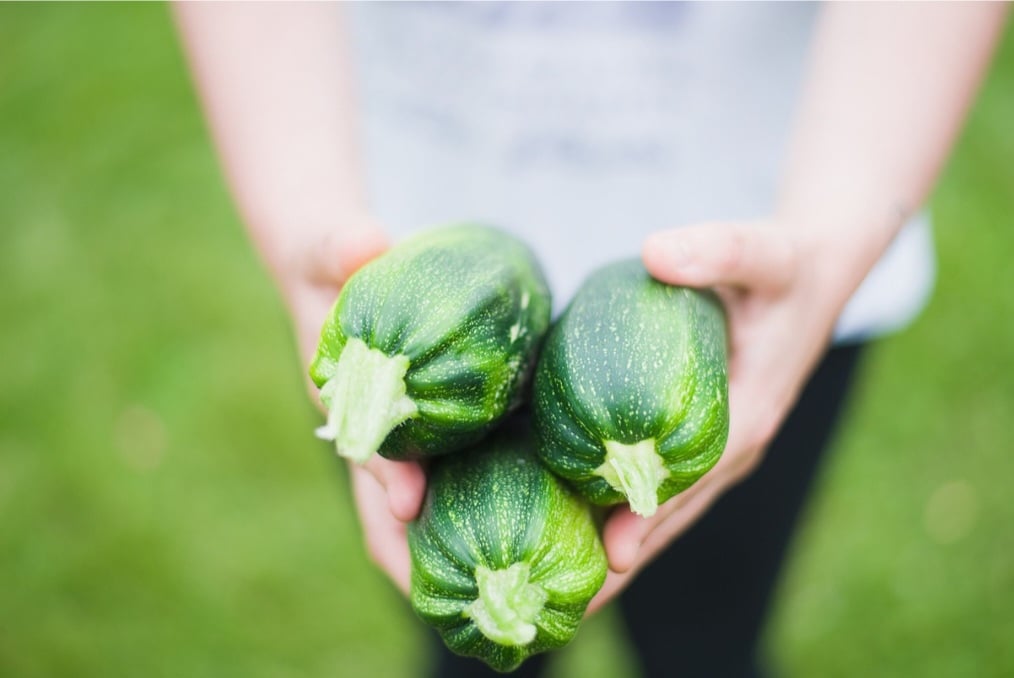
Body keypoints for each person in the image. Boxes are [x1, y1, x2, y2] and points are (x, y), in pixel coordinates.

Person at [174, 3, 1006, 676]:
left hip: (773, 267)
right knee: (470, 644)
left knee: (709, 635)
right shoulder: (379, 337)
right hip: (401, 246)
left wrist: (836, 239)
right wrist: (302, 219)